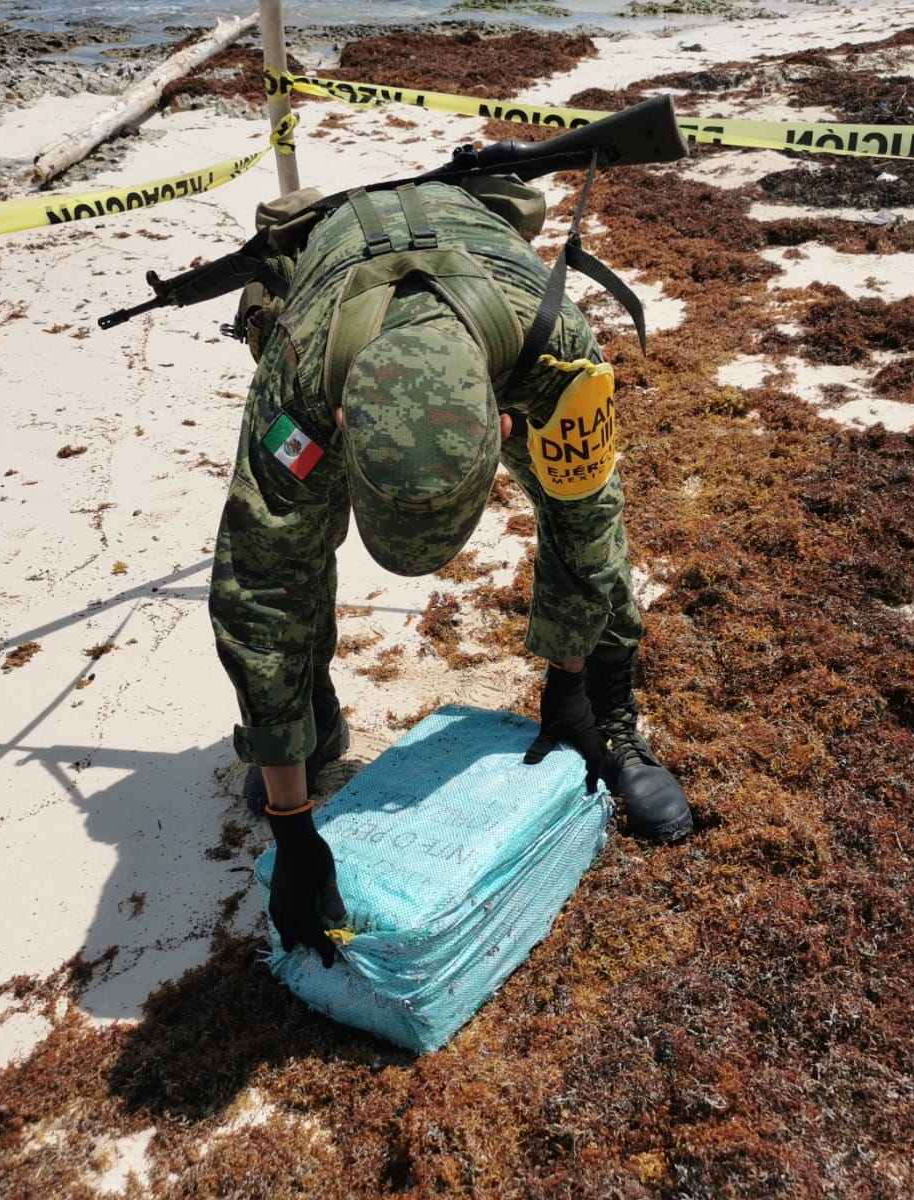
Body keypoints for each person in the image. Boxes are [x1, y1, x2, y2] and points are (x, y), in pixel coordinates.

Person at [208, 177, 692, 968]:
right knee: (286, 545)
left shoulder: (556, 358)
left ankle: (610, 717)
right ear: (338, 429)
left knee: (589, 510)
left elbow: (586, 519)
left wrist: (572, 682)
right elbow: (260, 590)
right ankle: (313, 717)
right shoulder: (297, 385)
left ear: (506, 426)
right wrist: (292, 829)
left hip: (490, 311)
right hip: (341, 303)